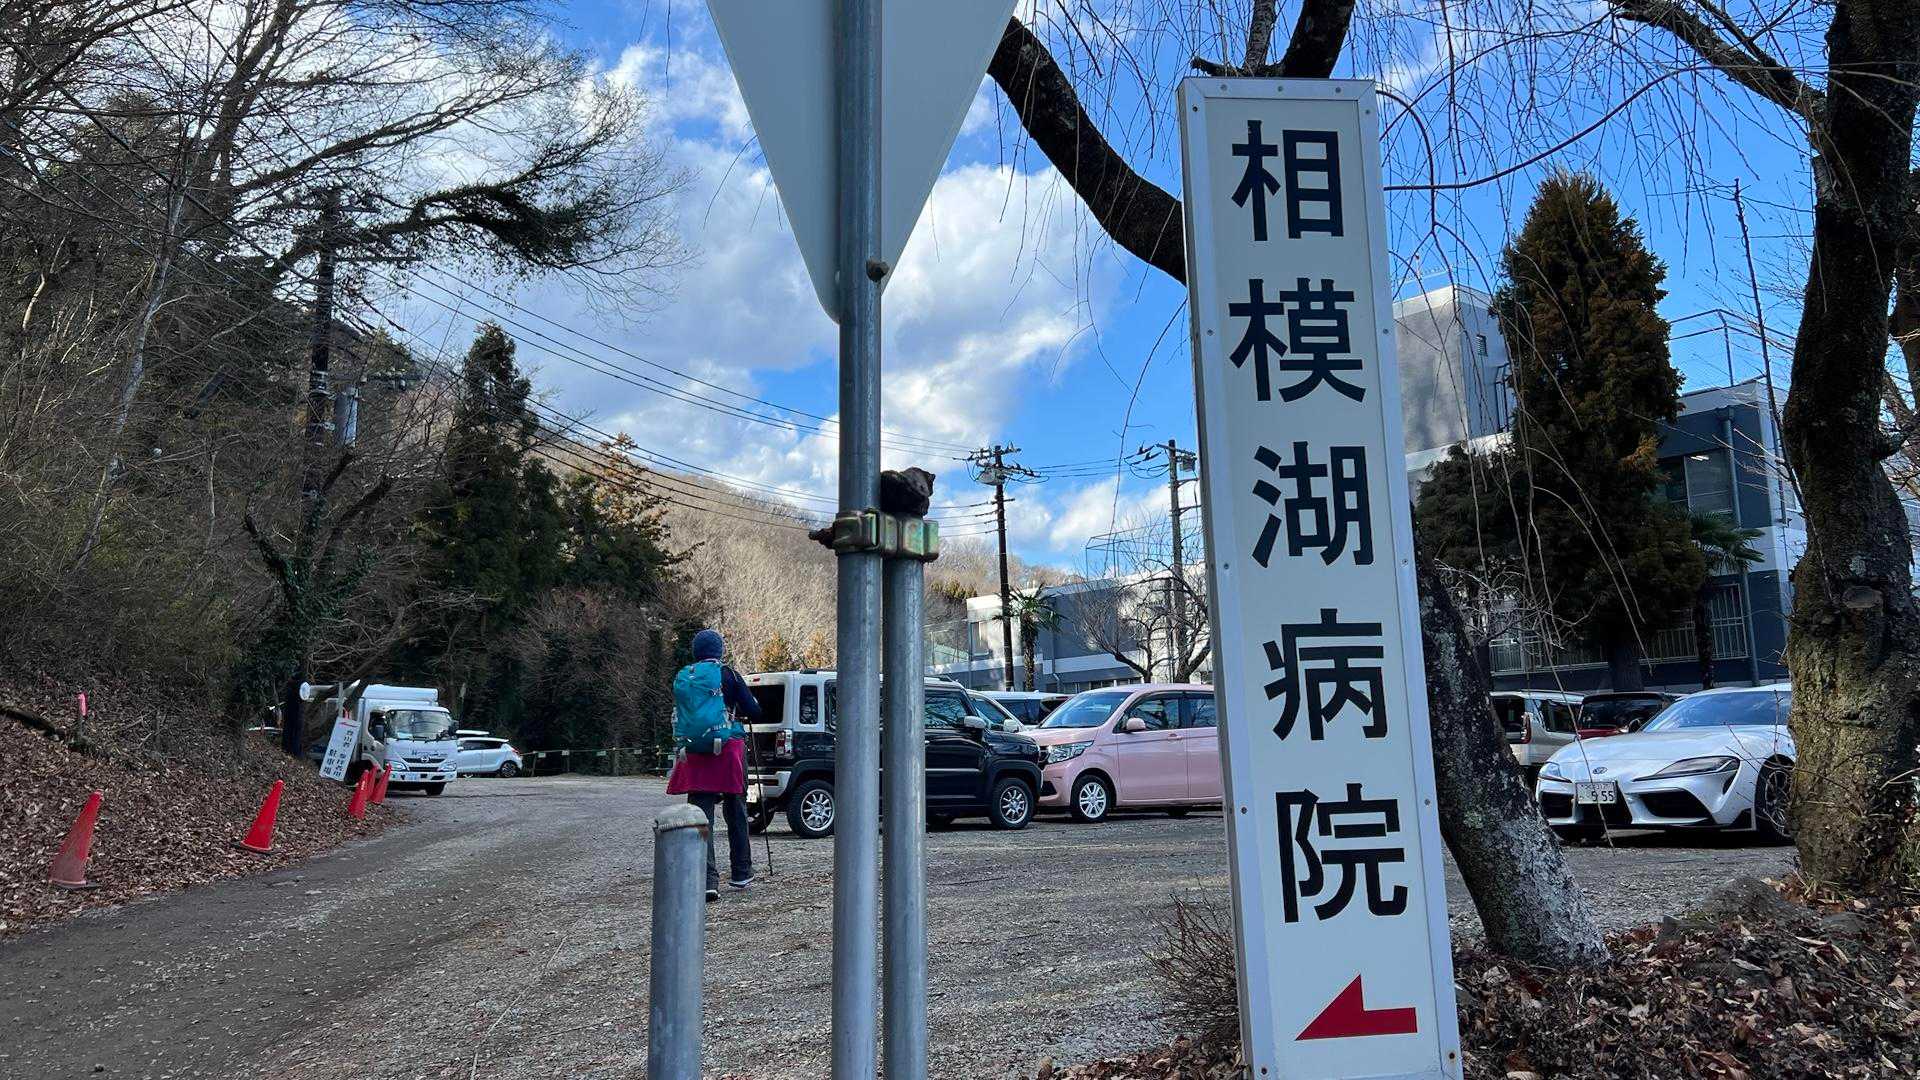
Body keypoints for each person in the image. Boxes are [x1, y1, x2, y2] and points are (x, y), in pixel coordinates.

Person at [665, 628, 762, 901]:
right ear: (719, 651)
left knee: (700, 814)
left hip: (694, 752)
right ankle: (741, 872)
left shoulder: (686, 677)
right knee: (736, 809)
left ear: (696, 652)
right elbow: (754, 711)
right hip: (728, 748)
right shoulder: (729, 675)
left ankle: (707, 880)